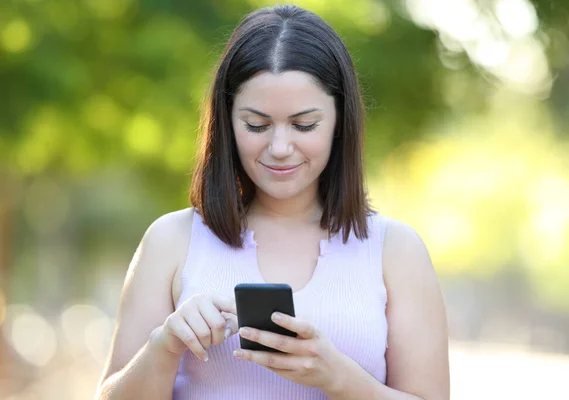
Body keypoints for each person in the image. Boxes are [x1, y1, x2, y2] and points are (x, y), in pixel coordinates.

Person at [96, 5, 449, 400]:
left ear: (340, 121)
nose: (280, 148)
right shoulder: (170, 240)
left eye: (304, 125)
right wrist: (164, 345)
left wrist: (339, 378)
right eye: (257, 125)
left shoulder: (396, 251)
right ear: (227, 123)